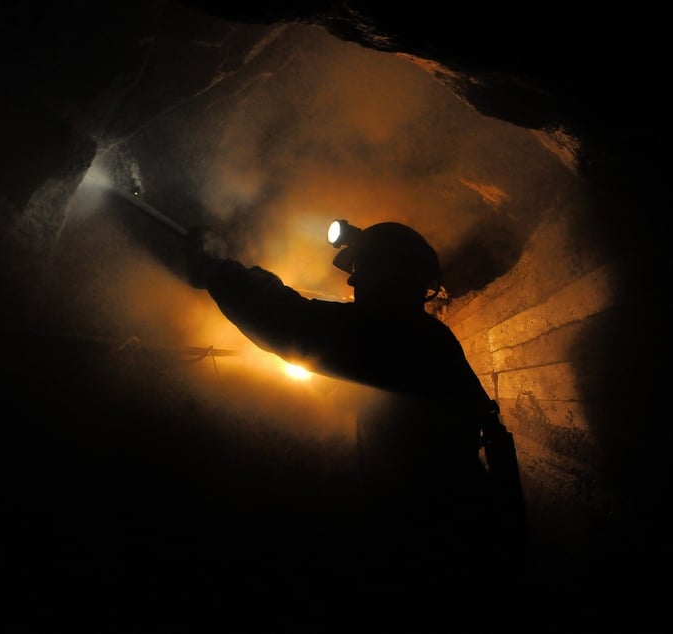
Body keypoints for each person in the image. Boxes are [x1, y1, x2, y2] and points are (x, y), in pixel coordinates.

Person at [185, 219, 525, 614]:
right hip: (451, 530)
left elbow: (297, 325)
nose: (351, 284)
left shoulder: (403, 337)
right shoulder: (428, 338)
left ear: (394, 274)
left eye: (361, 270)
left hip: (436, 550)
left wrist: (219, 272)